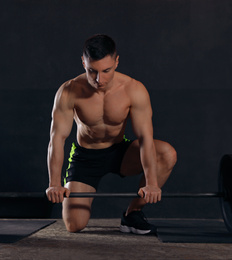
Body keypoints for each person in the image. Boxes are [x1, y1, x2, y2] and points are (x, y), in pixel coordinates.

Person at [46, 34, 177, 235]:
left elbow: (145, 139)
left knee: (167, 153)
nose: (100, 79)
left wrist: (151, 183)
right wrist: (54, 183)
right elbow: (57, 139)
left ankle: (133, 213)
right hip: (85, 158)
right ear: (83, 63)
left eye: (106, 71)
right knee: (75, 225)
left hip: (119, 152)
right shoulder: (69, 91)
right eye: (92, 71)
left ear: (116, 61)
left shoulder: (134, 89)